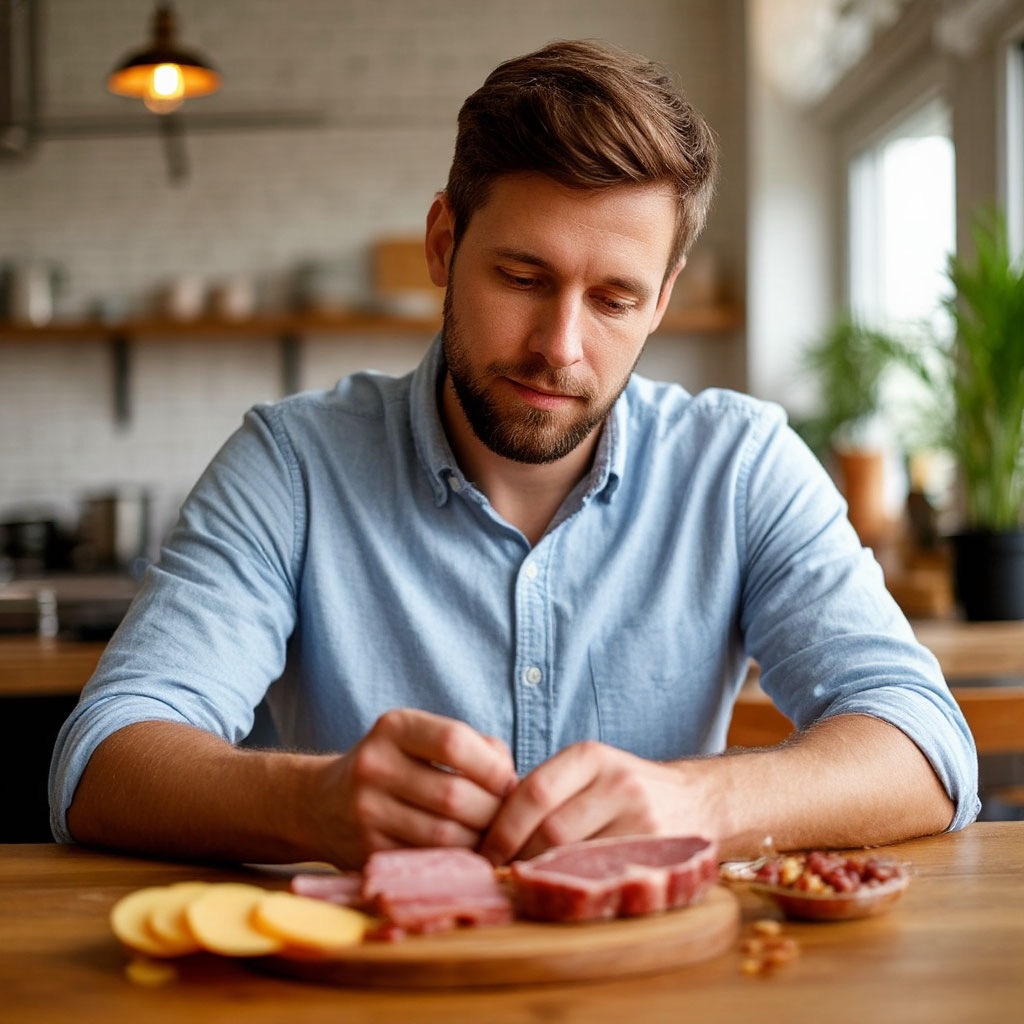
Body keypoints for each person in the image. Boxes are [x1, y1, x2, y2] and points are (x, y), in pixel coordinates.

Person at [49, 39, 978, 870]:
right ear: (444, 244)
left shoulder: (740, 465)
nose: (560, 346)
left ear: (662, 302)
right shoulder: (290, 465)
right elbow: (102, 761)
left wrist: (698, 802)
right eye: (523, 278)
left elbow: (929, 748)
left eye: (614, 299)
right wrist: (312, 804)